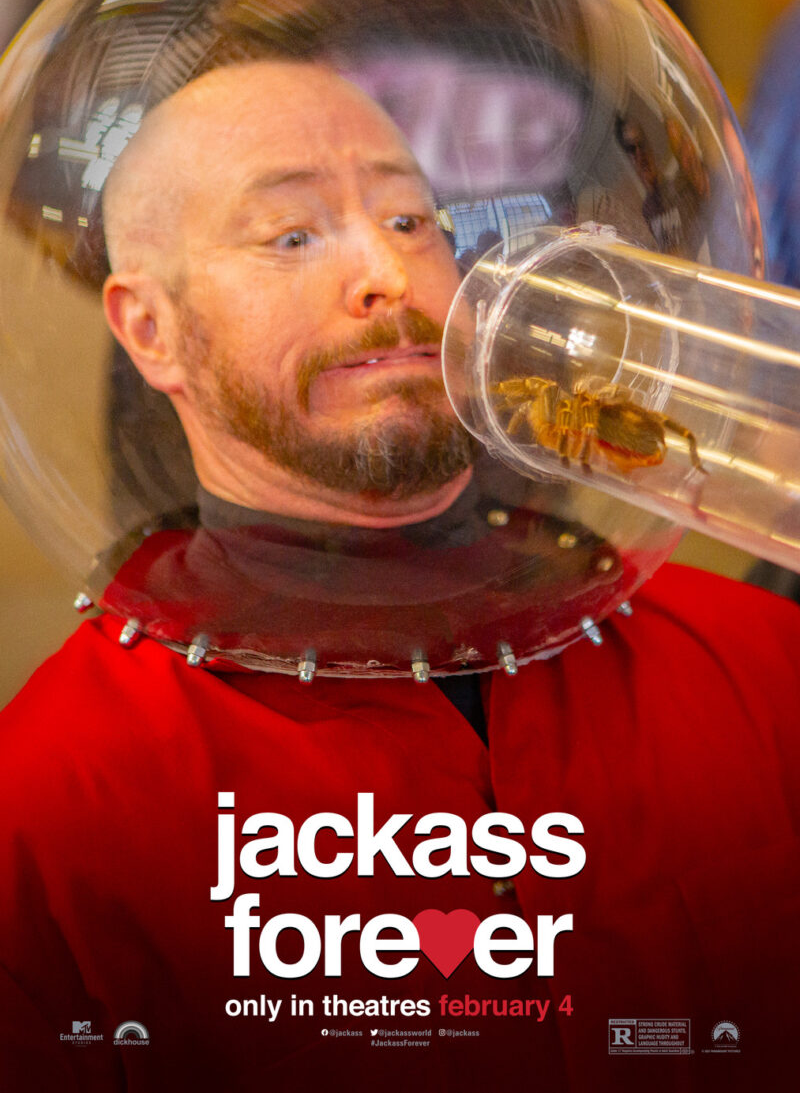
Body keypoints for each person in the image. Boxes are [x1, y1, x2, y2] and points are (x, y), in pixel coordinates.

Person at [1, 58, 799, 1093]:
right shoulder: (53, 807)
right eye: (292, 235)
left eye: (412, 221)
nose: (386, 271)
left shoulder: (759, 663)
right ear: (152, 331)